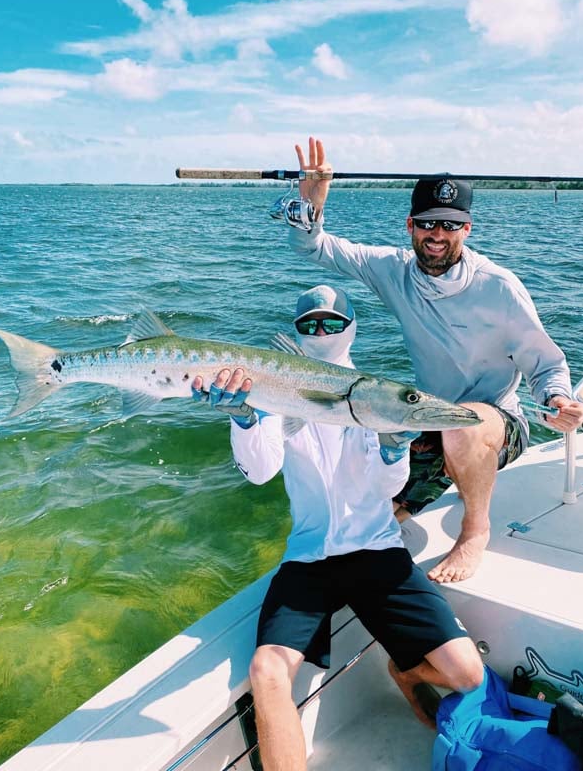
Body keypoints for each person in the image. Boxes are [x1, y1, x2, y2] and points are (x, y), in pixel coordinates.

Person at [192, 284, 485, 771]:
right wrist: (244, 418)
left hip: (376, 549)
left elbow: (385, 487)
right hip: (308, 557)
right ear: (297, 332)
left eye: (332, 321)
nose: (322, 330)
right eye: (310, 324)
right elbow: (260, 471)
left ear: (352, 326)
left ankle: (406, 670)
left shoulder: (377, 396)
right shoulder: (271, 385)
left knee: (469, 674)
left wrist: (394, 447)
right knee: (267, 672)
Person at [280, 137, 583, 585]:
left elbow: (545, 364)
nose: (437, 235)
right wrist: (311, 205)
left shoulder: (499, 287)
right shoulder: (393, 270)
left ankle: (475, 530)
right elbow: (315, 250)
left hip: (499, 425)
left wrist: (558, 398)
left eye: (449, 224)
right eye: (427, 224)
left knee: (465, 425)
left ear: (468, 229)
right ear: (409, 225)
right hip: (430, 420)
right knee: (376, 511)